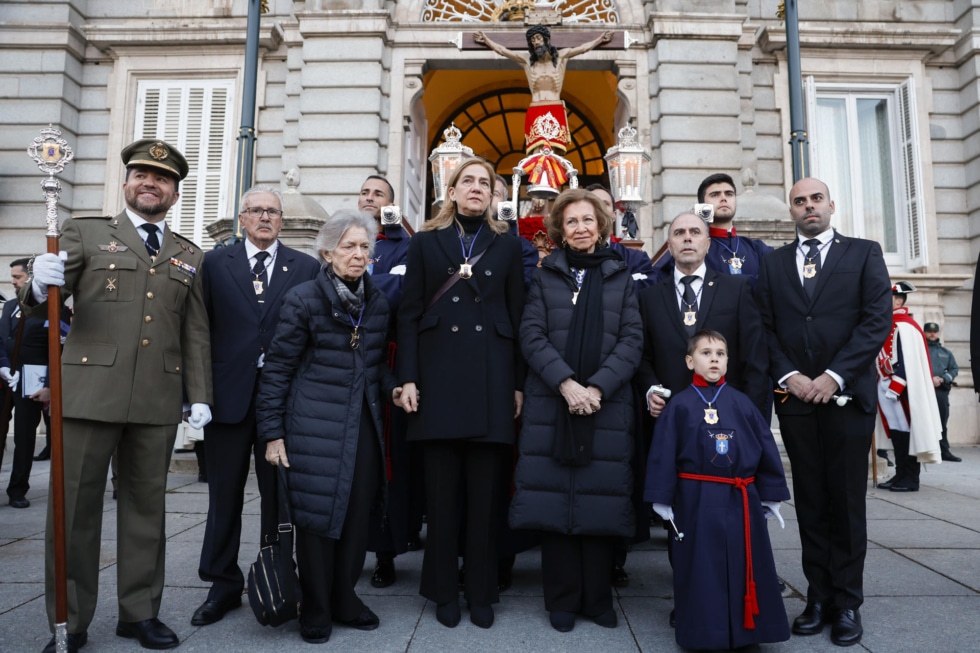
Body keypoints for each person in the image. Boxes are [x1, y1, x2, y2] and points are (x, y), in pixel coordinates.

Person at [25, 138, 213, 652]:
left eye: (163, 178)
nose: (151, 183)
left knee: (146, 511)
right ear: (127, 183)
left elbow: (194, 331)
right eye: (142, 175)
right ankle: (71, 618)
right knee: (74, 512)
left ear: (175, 193)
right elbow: (47, 304)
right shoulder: (86, 233)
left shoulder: (189, 254)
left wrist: (200, 394)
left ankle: (138, 612)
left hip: (156, 398)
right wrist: (39, 286)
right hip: (88, 394)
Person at [756, 177, 891, 647]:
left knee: (847, 503)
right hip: (795, 400)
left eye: (816, 199)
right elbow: (763, 327)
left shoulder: (864, 253)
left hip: (847, 397)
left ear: (831, 204)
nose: (808, 206)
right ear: (790, 211)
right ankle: (817, 596)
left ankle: (847, 602)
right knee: (811, 501)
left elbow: (877, 319)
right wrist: (788, 375)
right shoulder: (772, 264)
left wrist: (834, 375)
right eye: (799, 201)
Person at [256, 210, 400, 644]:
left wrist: (395, 390)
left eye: (364, 248)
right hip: (312, 427)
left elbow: (375, 366)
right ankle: (315, 606)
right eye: (349, 247)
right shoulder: (304, 300)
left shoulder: (378, 302)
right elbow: (277, 369)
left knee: (357, 517)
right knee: (317, 520)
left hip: (362, 427)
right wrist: (272, 433)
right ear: (327, 252)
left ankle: (344, 597)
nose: (359, 255)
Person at [397, 158, 526, 630]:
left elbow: (516, 318)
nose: (476, 188)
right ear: (450, 191)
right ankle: (442, 590)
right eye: (467, 181)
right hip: (437, 378)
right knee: (442, 495)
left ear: (495, 195)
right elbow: (408, 313)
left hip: (491, 378)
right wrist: (407, 378)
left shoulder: (508, 246)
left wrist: (516, 384)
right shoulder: (426, 243)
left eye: (485, 182)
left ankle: (481, 588)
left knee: (485, 497)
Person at [509, 187, 642, 633]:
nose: (581, 227)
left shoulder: (620, 276)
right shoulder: (545, 277)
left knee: (599, 500)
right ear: (560, 231)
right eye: (572, 222)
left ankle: (597, 598)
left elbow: (631, 340)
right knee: (554, 497)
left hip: (606, 403)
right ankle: (562, 599)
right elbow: (532, 335)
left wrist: (597, 388)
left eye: (588, 220)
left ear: (601, 226)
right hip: (554, 400)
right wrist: (566, 384)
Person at [192, 186, 320, 627]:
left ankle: (279, 577)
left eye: (272, 212)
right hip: (226, 400)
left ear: (282, 220)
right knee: (222, 496)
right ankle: (221, 583)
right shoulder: (213, 264)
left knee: (278, 498)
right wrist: (197, 394)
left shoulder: (306, 266)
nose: (264, 217)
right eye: (256, 211)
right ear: (241, 217)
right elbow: (198, 329)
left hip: (282, 405)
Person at [646, 329, 790, 650]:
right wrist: (662, 498)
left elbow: (765, 447)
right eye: (705, 353)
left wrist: (770, 494)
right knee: (701, 566)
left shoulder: (743, 404)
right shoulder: (679, 405)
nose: (714, 359)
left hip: (740, 497)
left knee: (745, 562)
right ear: (689, 360)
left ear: (727, 361)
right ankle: (704, 632)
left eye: (720, 353)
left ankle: (749, 630)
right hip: (694, 497)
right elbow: (664, 450)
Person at [637, 212, 769, 416]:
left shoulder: (736, 290)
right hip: (671, 415)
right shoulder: (648, 298)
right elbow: (643, 357)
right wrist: (651, 390)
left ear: (708, 244)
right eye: (679, 233)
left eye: (695, 232)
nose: (687, 238)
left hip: (728, 412)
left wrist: (750, 412)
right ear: (670, 246)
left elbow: (754, 357)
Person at [473, 27, 612, 156]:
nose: (536, 42)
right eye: (532, 40)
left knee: (556, 151)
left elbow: (582, 49)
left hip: (555, 106)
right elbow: (503, 51)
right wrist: (486, 40)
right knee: (537, 150)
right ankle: (537, 179)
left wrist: (599, 39)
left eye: (538, 38)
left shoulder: (561, 57)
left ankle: (554, 181)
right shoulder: (526, 60)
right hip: (536, 108)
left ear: (546, 39)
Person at [0, 259, 70, 506]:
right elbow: (1, 339)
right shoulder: (9, 306)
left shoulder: (54, 308)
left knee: (24, 437)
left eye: (17, 277)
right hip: (5, 378)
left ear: (30, 279)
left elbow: (60, 351)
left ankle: (17, 490)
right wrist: (2, 365)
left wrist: (51, 385)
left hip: (33, 382)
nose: (13, 281)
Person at [876, 282, 943, 492]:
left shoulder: (905, 326)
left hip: (901, 388)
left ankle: (911, 478)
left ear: (898, 300)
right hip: (885, 384)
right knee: (896, 431)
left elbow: (908, 360)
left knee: (908, 431)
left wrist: (897, 385)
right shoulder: (886, 323)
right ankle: (900, 474)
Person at [654, 173, 773, 288]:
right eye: (715, 195)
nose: (723, 199)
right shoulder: (693, 247)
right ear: (702, 205)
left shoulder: (757, 248)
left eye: (729, 194)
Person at [924, 321, 962, 461]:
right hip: (924, 391)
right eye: (929, 331)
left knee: (941, 422)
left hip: (940, 391)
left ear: (938, 333)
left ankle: (943, 451)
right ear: (925, 332)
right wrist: (929, 379)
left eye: (934, 331)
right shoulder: (920, 350)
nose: (932, 334)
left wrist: (943, 378)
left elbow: (954, 369)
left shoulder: (946, 352)